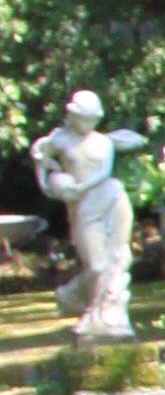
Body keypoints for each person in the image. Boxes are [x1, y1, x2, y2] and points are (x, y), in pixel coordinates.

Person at [30, 90, 144, 342]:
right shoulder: (60, 139)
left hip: (112, 196)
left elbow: (104, 172)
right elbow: (40, 158)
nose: (88, 124)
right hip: (84, 206)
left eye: (93, 119)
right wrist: (49, 185)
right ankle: (72, 295)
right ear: (72, 115)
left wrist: (82, 187)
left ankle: (105, 315)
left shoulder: (103, 142)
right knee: (96, 265)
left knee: (118, 258)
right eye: (84, 118)